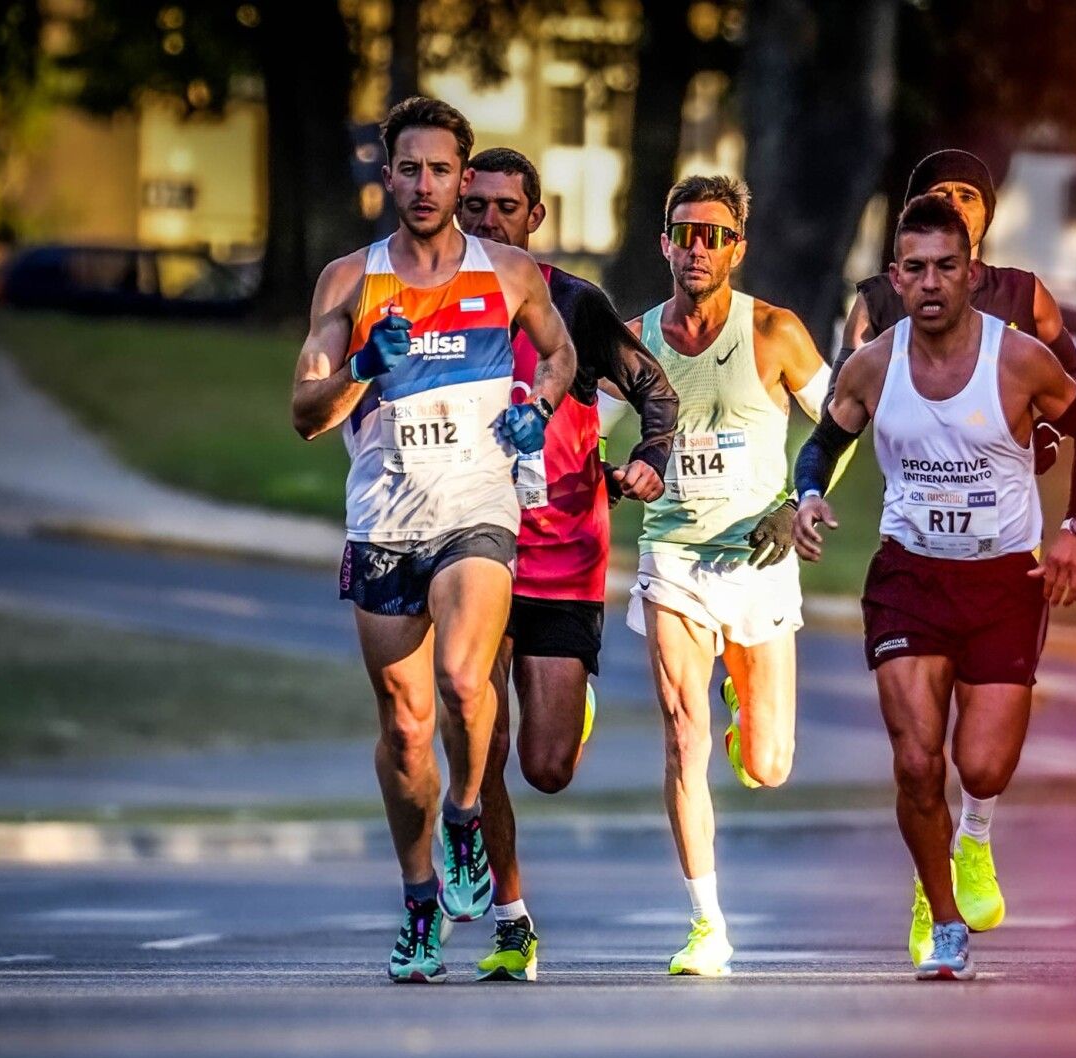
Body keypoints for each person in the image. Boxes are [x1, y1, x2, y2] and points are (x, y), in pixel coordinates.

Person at [289, 97, 576, 984]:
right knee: (406, 729)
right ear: (388, 176)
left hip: (475, 516)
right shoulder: (349, 282)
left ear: (461, 176)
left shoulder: (511, 274)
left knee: (462, 679)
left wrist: (538, 406)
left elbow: (560, 355)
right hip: (382, 524)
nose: (425, 185)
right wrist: (365, 366)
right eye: (408, 168)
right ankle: (419, 904)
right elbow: (304, 413)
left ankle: (464, 817)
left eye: (441, 170)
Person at [792, 194, 1076, 980]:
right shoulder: (874, 364)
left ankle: (973, 833)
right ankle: (943, 920)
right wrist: (807, 495)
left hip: (1004, 578)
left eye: (946, 267)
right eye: (915, 268)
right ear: (895, 278)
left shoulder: (1020, 358)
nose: (931, 283)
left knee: (983, 766)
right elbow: (823, 442)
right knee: (915, 763)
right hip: (909, 576)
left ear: (971, 273)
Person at [454, 146, 678, 981]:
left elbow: (655, 390)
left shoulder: (574, 302)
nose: (485, 222)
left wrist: (650, 457)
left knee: (544, 766)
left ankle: (569, 704)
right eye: (473, 205)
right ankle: (511, 920)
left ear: (534, 218)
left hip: (562, 554)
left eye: (503, 208)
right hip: (468, 549)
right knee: (482, 741)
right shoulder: (430, 304)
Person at [624, 175, 832, 977]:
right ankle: (707, 925)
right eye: (684, 233)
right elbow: (592, 437)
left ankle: (746, 696)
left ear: (738, 248)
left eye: (714, 235)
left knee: (769, 766)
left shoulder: (775, 333)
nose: (697, 248)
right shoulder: (636, 342)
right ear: (665, 243)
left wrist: (800, 499)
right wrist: (617, 477)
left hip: (760, 560)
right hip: (673, 557)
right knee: (683, 736)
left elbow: (844, 421)